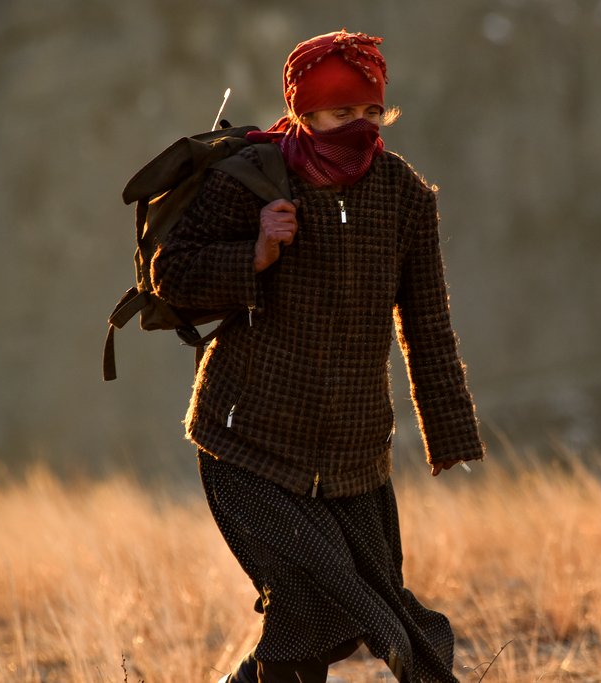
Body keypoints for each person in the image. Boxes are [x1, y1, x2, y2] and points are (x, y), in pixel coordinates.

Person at [151, 29, 484, 683]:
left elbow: (430, 325)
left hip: (354, 457)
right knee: (307, 602)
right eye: (340, 114)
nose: (357, 128)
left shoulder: (406, 197)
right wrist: (253, 253)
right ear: (302, 112)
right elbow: (173, 273)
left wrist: (450, 435)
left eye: (370, 113)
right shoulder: (251, 179)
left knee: (347, 619)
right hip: (245, 438)